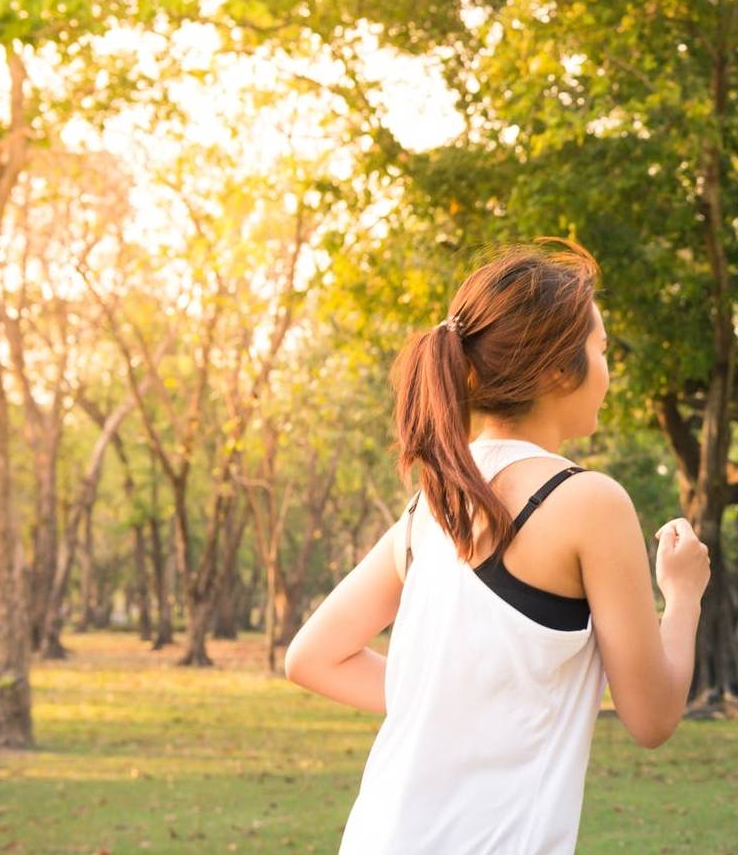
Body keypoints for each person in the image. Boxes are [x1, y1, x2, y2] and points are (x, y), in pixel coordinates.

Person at [285, 237, 710, 854]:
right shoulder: (590, 502)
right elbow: (651, 717)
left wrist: (450, 705)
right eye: (602, 350)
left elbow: (313, 658)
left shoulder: (432, 505)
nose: (608, 370)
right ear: (564, 370)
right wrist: (684, 594)